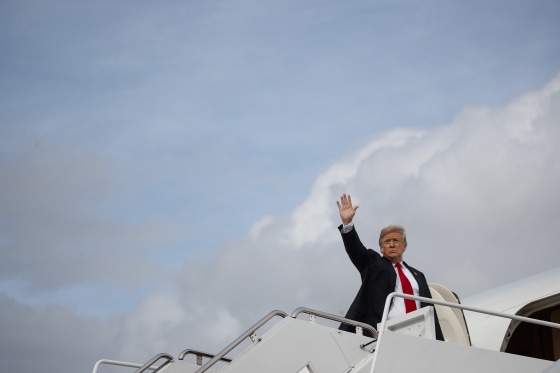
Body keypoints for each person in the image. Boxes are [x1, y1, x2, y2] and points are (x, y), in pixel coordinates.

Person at [336, 193, 444, 341]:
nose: (392, 244)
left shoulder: (418, 275)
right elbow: (356, 250)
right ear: (381, 248)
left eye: (396, 240)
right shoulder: (373, 263)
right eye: (386, 242)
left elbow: (431, 311)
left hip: (421, 336)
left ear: (404, 246)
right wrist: (347, 224)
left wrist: (439, 342)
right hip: (384, 334)